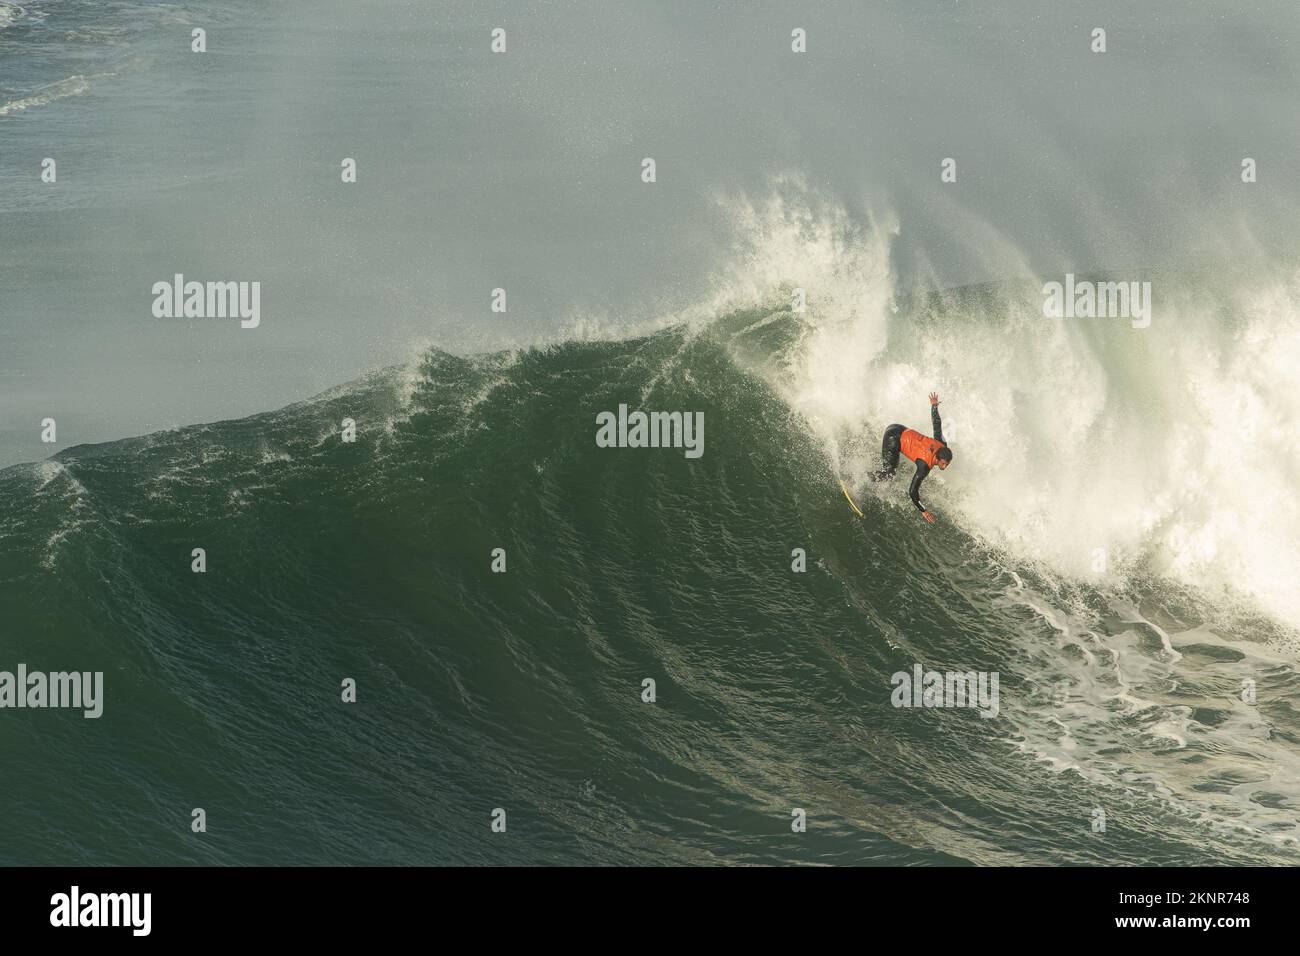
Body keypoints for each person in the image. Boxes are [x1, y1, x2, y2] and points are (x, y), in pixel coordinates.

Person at [871, 392, 953, 524]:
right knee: (889, 474)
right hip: (893, 438)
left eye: (947, 464)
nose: (945, 466)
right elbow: (912, 491)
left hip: (898, 427)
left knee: (890, 465)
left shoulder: (941, 445)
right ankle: (862, 476)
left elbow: (937, 425)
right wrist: (923, 510)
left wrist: (934, 406)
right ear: (938, 458)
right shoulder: (924, 466)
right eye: (944, 463)